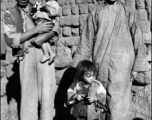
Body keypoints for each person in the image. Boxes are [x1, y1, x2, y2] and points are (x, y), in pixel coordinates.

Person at [72, 0, 149, 120]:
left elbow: (138, 39)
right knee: (98, 100)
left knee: (119, 105)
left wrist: (136, 68)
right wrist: (81, 67)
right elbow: (86, 40)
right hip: (99, 64)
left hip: (122, 65)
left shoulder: (128, 11)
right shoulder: (96, 11)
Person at [3, 0, 59, 120]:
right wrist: (35, 31)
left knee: (47, 96)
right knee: (29, 98)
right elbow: (10, 40)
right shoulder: (10, 14)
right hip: (26, 56)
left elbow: (56, 26)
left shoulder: (40, 7)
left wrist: (44, 37)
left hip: (45, 54)